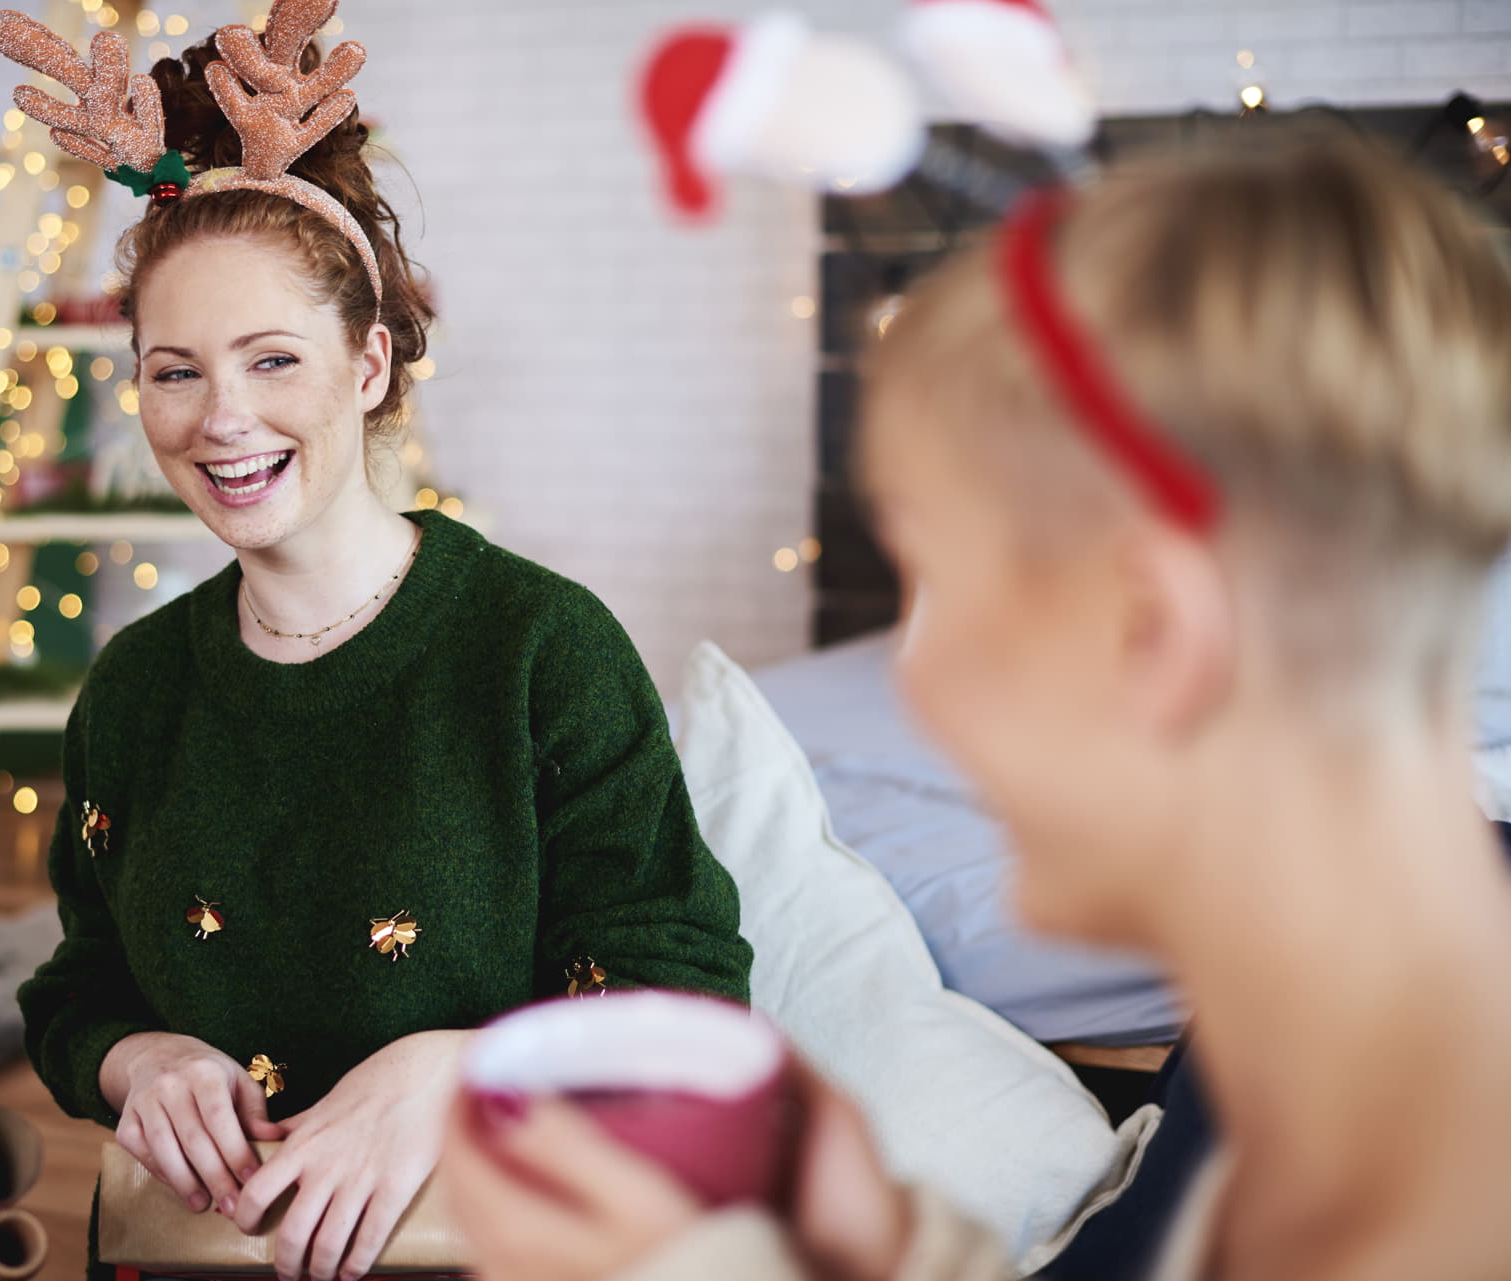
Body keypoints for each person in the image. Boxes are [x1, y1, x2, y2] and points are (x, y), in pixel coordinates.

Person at [440, 133, 1511, 1281]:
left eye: (943, 587)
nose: (915, 679)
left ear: (1161, 629)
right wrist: (897, 1247)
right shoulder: (1308, 997)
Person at [0, 7, 753, 1281]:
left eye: (272, 360)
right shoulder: (131, 688)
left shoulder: (541, 650)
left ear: (368, 364)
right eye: (174, 371)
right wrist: (140, 1058)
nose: (222, 419)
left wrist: (459, 1072)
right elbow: (78, 987)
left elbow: (688, 1002)